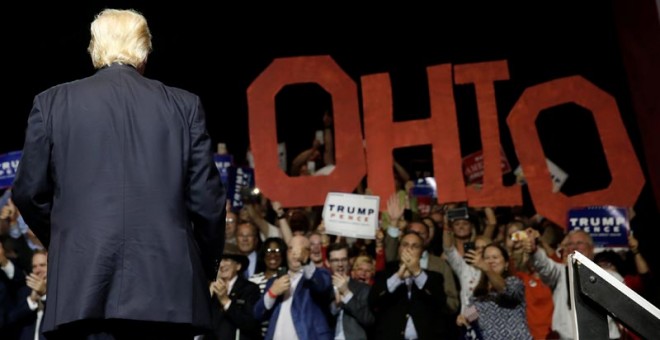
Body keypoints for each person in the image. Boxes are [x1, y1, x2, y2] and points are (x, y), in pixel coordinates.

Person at [11, 8, 226, 339]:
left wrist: (68, 240)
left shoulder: (52, 103)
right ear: (144, 53)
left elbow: (27, 192)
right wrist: (205, 267)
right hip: (168, 291)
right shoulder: (185, 106)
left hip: (81, 287)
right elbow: (208, 203)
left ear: (95, 49)